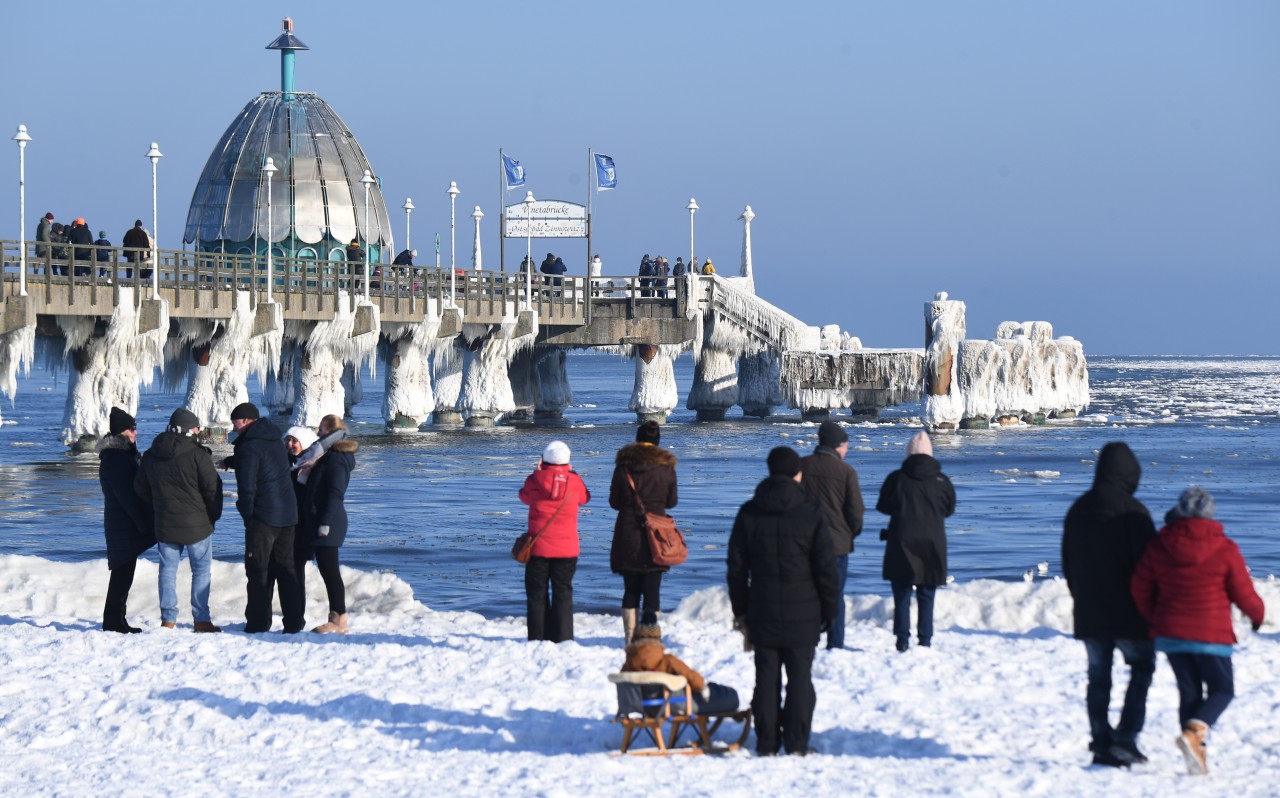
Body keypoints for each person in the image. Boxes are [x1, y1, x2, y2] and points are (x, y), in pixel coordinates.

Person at [1131, 486, 1266, 776]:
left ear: (1180, 511)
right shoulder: (1225, 548)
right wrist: (1257, 615)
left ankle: (1194, 756)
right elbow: (1242, 591)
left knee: (1189, 691)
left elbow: (1140, 588)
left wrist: (1155, 618)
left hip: (1170, 632)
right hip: (1210, 634)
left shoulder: (1159, 545)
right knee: (1222, 689)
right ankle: (1193, 736)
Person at [727, 446, 839, 756]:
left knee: (766, 678)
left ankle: (766, 743)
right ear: (797, 475)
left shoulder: (750, 512)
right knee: (800, 679)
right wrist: (831, 611)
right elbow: (826, 569)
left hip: (762, 608)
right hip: (804, 609)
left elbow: (736, 569)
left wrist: (741, 610)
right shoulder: (811, 513)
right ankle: (796, 742)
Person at [1061, 441, 1158, 767]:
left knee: (1098, 678)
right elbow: (1150, 567)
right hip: (1130, 613)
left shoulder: (1078, 510)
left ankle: (1101, 741)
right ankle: (1126, 736)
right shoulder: (1135, 513)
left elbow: (1068, 564)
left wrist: (1081, 599)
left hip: (1091, 613)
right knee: (1142, 669)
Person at [134, 408, 223, 632]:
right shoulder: (198, 455)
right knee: (201, 570)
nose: (199, 431)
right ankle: (201, 619)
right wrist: (213, 515)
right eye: (196, 428)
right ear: (190, 429)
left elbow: (140, 489)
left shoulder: (151, 455)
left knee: (167, 570)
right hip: (198, 524)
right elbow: (213, 489)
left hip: (165, 522)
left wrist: (158, 507)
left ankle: (168, 619)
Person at [227, 402, 303, 633]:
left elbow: (247, 486)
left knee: (258, 569)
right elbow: (266, 466)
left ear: (247, 420)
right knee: (286, 569)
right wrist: (231, 462)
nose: (233, 426)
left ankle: (258, 623)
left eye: (236, 421)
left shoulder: (249, 446)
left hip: (263, 516)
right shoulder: (273, 441)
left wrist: (247, 515)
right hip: (288, 515)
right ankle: (293, 622)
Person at [876, 430, 954, 653]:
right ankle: (925, 640)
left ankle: (902, 641)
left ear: (908, 454)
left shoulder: (896, 478)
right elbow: (949, 509)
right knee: (927, 593)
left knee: (901, 593)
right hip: (933, 543)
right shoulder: (942, 480)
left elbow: (883, 506)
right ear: (930, 455)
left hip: (901, 541)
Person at [609, 420, 678, 644]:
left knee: (630, 588)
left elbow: (614, 502)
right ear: (657, 442)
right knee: (652, 588)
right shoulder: (666, 468)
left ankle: (629, 639)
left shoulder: (624, 466)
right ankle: (648, 638)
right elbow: (671, 502)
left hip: (628, 531)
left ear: (638, 440)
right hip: (657, 532)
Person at [800, 420, 864, 649]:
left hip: (806, 545)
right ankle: (835, 642)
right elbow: (856, 510)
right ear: (838, 445)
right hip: (837, 545)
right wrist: (851, 533)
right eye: (846, 445)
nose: (847, 450)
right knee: (835, 594)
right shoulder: (846, 472)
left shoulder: (801, 466)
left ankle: (808, 637)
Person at [518, 440, 590, 642]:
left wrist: (537, 472)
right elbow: (585, 498)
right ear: (567, 461)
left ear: (543, 459)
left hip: (538, 549)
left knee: (536, 594)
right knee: (563, 593)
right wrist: (571, 473)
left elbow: (523, 496)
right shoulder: (574, 481)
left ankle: (537, 637)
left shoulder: (535, 480)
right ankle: (564, 638)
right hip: (567, 550)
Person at [296, 415, 359, 634]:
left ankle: (338, 619)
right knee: (326, 570)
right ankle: (336, 618)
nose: (318, 433)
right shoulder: (325, 454)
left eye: (321, 429)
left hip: (328, 521)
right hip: (318, 519)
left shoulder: (335, 458)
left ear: (331, 432)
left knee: (330, 571)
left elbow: (335, 493)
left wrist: (324, 523)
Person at [97, 407, 154, 633]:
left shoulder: (120, 455)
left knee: (123, 573)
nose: (135, 433)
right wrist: (143, 523)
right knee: (122, 574)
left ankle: (116, 619)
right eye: (132, 429)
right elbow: (127, 496)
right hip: (123, 523)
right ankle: (113, 621)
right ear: (122, 432)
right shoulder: (117, 459)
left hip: (121, 522)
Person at [622, 611, 740, 714]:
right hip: (676, 705)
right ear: (657, 637)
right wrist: (703, 688)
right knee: (728, 695)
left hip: (643, 707)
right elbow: (694, 679)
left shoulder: (628, 665)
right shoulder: (667, 661)